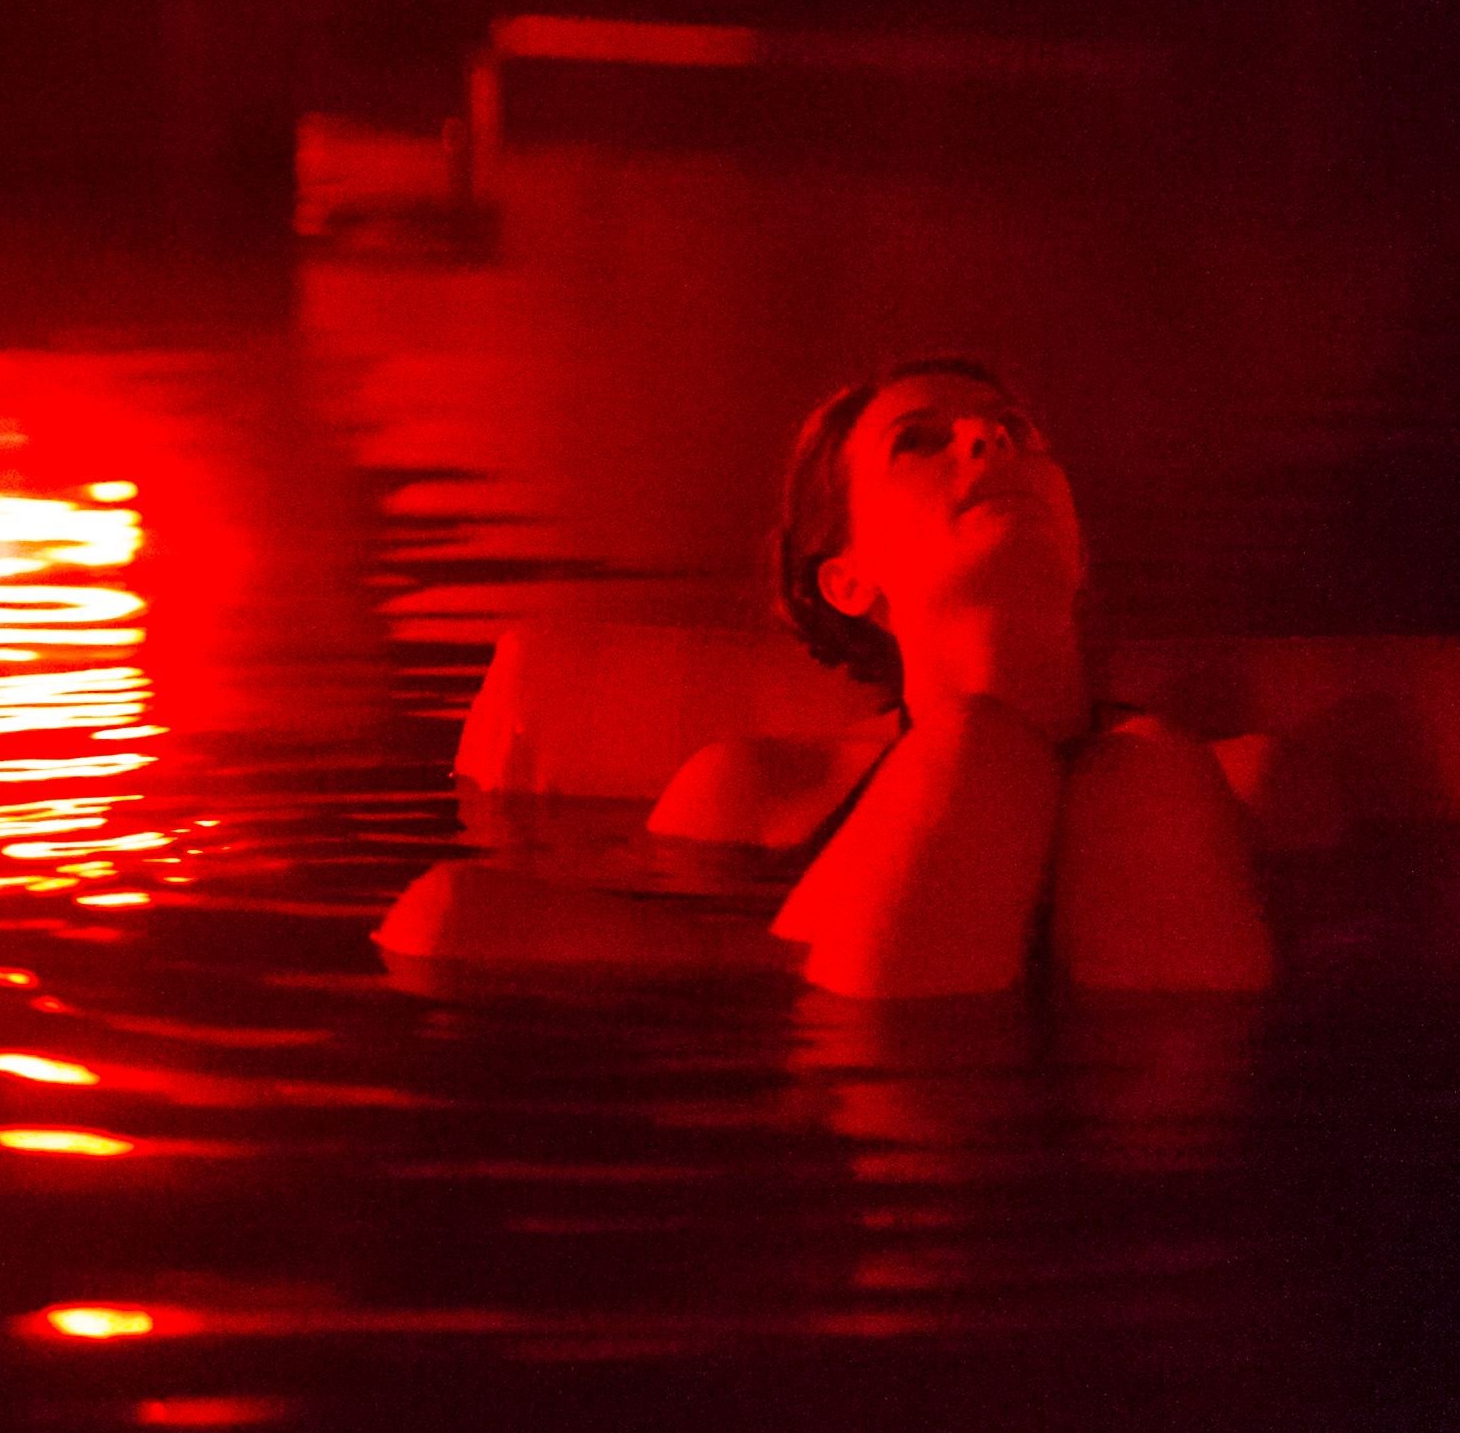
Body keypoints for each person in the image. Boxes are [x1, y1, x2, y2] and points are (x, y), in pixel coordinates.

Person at [380, 359, 1274, 999]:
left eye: (1015, 431)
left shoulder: (1241, 781)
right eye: (919, 442)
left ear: (1076, 549)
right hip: (856, 1070)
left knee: (1136, 779)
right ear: (846, 580)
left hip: (1170, 1100)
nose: (988, 436)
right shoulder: (757, 794)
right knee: (975, 760)